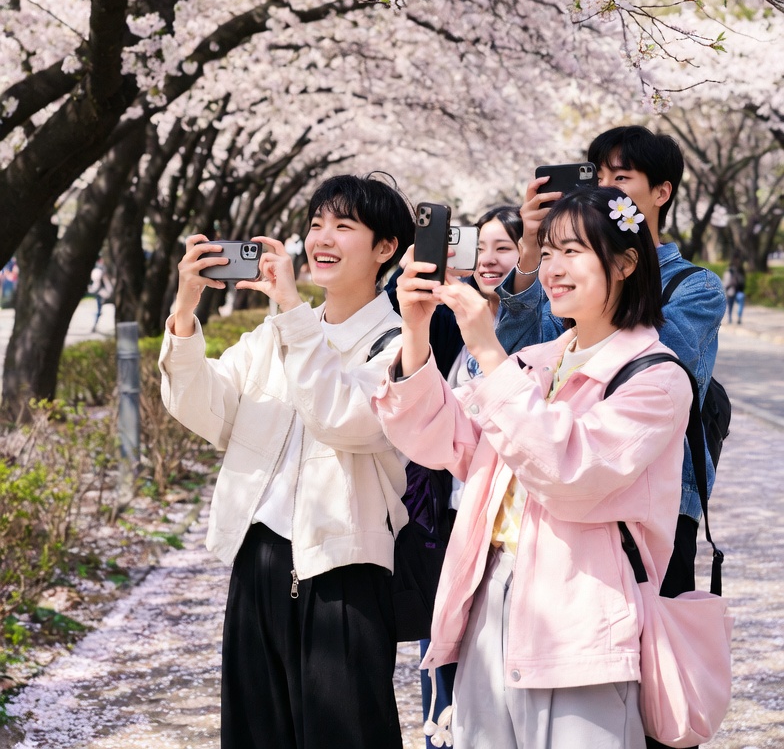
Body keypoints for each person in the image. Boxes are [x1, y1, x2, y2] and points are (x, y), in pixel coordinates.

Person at [373, 185, 692, 749]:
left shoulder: (656, 378)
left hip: (583, 615)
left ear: (625, 262)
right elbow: (449, 442)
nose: (551, 268)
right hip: (490, 594)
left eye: (572, 251)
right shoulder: (534, 364)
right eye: (546, 253)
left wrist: (489, 354)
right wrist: (416, 330)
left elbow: (571, 472)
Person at [159, 173, 415, 749]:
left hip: (345, 572)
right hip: (260, 559)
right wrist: (183, 314)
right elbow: (207, 410)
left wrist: (295, 313)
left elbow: (345, 418)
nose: (322, 238)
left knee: (345, 732)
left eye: (344, 226)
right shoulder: (273, 335)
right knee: (256, 732)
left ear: (385, 249)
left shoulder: (398, 342)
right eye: (316, 224)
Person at [496, 126, 725, 604]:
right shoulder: (565, 280)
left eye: (619, 178)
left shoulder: (695, 288)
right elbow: (519, 363)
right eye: (595, 177)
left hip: (644, 499)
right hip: (557, 478)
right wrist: (535, 252)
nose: (602, 190)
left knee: (642, 645)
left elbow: (645, 369)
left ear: (662, 192)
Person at [386, 205, 524, 747]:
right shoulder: (448, 319)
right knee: (440, 650)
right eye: (479, 248)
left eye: (506, 249)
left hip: (504, 523)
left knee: (497, 666)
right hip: (446, 514)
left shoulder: (538, 324)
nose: (489, 261)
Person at [87, 257, 112, 330]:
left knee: (99, 309)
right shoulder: (101, 272)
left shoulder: (95, 271)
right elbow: (105, 283)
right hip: (101, 292)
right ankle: (95, 323)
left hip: (97, 292)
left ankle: (95, 323)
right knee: (99, 310)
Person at [723, 257, 746, 324]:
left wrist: (725, 289)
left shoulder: (728, 272)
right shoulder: (741, 271)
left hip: (731, 291)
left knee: (730, 306)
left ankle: (730, 318)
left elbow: (726, 283)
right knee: (740, 305)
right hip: (739, 292)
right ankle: (739, 317)